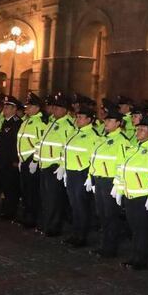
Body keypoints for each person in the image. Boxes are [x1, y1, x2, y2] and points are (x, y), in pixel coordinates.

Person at [115, 115, 148, 270]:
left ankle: (141, 260)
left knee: (143, 231)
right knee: (135, 230)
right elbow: (122, 170)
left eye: (143, 130)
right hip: (131, 195)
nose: (138, 132)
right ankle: (135, 257)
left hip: (143, 197)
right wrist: (119, 189)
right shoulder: (134, 148)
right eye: (138, 129)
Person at [88, 109, 133, 258]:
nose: (105, 123)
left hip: (110, 182)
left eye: (110, 120)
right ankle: (104, 244)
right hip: (100, 180)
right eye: (105, 120)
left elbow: (122, 165)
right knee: (102, 214)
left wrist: (118, 185)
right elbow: (94, 159)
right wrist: (91, 176)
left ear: (118, 123)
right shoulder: (104, 138)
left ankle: (110, 247)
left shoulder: (122, 141)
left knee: (111, 215)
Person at [36, 93, 76, 237]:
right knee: (46, 197)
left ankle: (53, 226)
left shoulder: (68, 125)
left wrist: (62, 165)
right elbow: (42, 142)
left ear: (65, 110)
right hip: (45, 164)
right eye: (55, 107)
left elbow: (67, 147)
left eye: (59, 108)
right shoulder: (52, 121)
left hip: (55, 166)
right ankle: (47, 223)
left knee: (54, 199)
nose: (55, 110)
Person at [62, 104, 102, 247]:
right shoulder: (74, 132)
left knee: (81, 206)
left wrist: (90, 177)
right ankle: (75, 233)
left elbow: (94, 158)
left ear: (89, 120)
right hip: (71, 172)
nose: (77, 119)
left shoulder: (93, 135)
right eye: (77, 116)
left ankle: (82, 236)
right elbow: (66, 151)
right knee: (74, 205)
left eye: (81, 117)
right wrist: (64, 168)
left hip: (82, 173)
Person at [17, 93, 48, 228]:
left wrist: (35, 161)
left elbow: (39, 143)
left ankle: (32, 218)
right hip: (24, 159)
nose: (26, 109)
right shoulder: (27, 121)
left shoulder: (39, 123)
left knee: (32, 191)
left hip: (31, 160)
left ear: (36, 108)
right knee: (25, 190)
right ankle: (26, 215)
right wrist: (20, 158)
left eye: (29, 106)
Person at [0, 96, 24, 221]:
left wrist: (15, 160)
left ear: (14, 109)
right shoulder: (5, 121)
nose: (4, 109)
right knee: (5, 186)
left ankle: (10, 211)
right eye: (4, 107)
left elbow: (16, 144)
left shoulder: (17, 123)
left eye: (7, 107)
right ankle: (5, 209)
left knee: (11, 187)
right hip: (3, 160)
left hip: (10, 162)